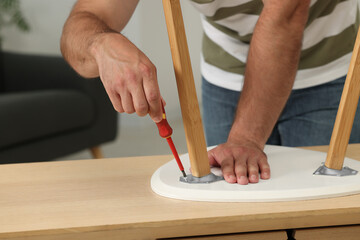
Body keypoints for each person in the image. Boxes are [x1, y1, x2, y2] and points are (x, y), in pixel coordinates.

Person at [61, 0, 360, 185]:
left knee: (321, 213)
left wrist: (245, 138)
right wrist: (100, 45)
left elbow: (287, 13)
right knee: (235, 220)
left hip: (328, 69)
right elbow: (87, 16)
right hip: (226, 73)